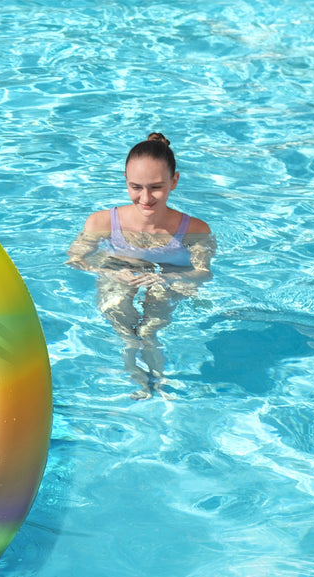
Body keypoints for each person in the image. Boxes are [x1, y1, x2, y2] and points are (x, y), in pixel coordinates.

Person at [67, 133, 216, 399]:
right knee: (119, 312)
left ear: (174, 181)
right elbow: (75, 260)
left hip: (169, 275)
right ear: (125, 180)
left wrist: (167, 281)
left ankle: (157, 376)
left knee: (150, 326)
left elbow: (203, 273)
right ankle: (134, 367)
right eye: (136, 187)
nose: (145, 198)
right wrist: (109, 271)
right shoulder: (101, 222)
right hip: (119, 267)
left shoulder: (195, 230)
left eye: (156, 187)